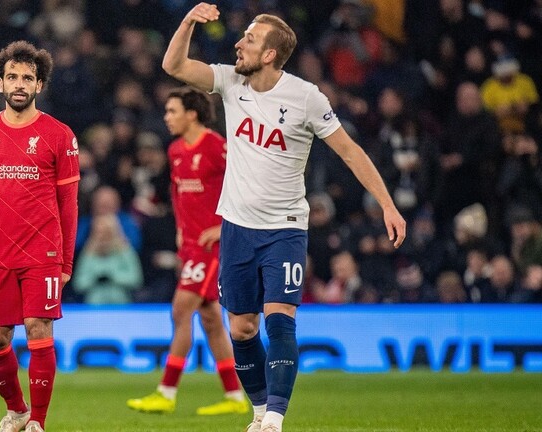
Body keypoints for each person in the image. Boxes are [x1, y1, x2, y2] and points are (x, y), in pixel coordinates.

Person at [162, 4, 407, 432]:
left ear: (271, 54)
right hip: (237, 227)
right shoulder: (231, 81)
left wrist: (387, 204)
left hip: (284, 228)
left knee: (279, 319)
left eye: (250, 39)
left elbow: (350, 152)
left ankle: (274, 418)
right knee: (242, 329)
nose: (239, 44)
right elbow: (175, 66)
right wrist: (187, 22)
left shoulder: (306, 98)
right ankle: (259, 411)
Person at [0, 41, 79, 432]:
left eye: (27, 78)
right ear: (0, 83)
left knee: (39, 328)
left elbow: (69, 204)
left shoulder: (59, 135)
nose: (19, 84)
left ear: (39, 85)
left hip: (43, 252)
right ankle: (18, 410)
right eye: (12, 77)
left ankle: (38, 421)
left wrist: (66, 261)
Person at [127, 87, 248, 416]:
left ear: (192, 114)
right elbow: (178, 194)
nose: (167, 117)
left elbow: (245, 186)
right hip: (191, 245)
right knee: (210, 319)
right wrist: (181, 232)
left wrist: (224, 227)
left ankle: (166, 392)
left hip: (214, 246)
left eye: (172, 111)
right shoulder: (176, 150)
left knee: (181, 311)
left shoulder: (217, 147)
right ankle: (235, 397)